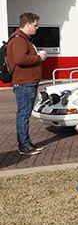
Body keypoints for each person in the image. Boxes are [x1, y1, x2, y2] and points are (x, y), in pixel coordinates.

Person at [7, 12, 48, 155]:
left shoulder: (24, 39)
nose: (37, 28)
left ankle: (26, 143)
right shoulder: (19, 40)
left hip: (26, 82)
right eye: (35, 25)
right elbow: (20, 59)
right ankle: (24, 145)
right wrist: (38, 57)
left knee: (24, 114)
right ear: (28, 24)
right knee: (23, 115)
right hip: (24, 83)